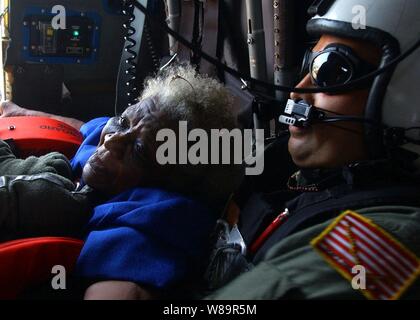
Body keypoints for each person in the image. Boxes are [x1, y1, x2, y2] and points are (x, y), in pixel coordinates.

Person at [205, 0, 420, 300]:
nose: (298, 91)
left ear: (409, 100)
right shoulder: (283, 166)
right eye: (311, 63)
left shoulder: (387, 237)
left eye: (330, 70)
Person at [0, 64, 243, 299]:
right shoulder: (122, 135)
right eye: (123, 122)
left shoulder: (149, 227)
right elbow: (86, 128)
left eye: (138, 151)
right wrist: (21, 113)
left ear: (171, 183)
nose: (111, 141)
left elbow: (126, 290)